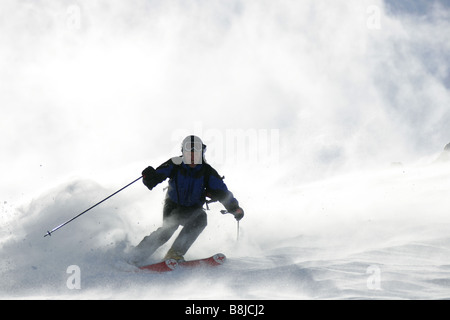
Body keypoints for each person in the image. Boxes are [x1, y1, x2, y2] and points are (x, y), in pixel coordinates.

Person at [128, 135, 244, 265]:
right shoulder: (175, 164)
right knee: (168, 229)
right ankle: (137, 255)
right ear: (183, 153)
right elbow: (155, 178)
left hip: (193, 208)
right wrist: (149, 176)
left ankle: (175, 253)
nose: (192, 158)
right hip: (173, 205)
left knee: (200, 219)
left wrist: (234, 208)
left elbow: (222, 192)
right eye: (189, 154)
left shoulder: (207, 171)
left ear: (201, 154)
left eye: (196, 154)